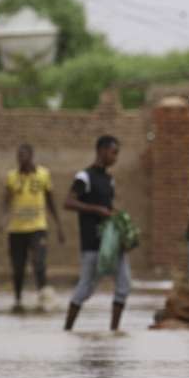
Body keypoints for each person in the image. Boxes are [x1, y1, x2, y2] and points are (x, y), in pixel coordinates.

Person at [63, 135, 131, 331]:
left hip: (112, 243)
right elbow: (68, 202)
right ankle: (67, 330)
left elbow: (109, 208)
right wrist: (95, 210)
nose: (115, 157)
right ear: (101, 150)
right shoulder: (84, 177)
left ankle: (114, 331)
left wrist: (122, 225)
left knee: (124, 285)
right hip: (92, 243)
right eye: (113, 152)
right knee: (85, 288)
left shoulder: (109, 180)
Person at [0, 143, 64, 313]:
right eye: (18, 156)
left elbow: (50, 201)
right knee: (18, 268)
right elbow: (6, 200)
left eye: (24, 155)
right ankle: (18, 299)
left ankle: (42, 296)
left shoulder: (43, 175)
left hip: (38, 227)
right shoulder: (11, 177)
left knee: (39, 262)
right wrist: (2, 218)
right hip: (16, 229)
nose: (21, 159)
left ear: (31, 156)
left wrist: (58, 225)